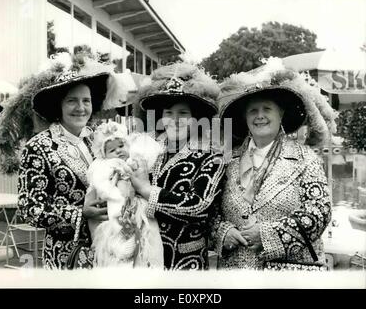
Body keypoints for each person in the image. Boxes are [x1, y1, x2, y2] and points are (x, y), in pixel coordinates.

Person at [214, 57, 336, 270]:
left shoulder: (306, 159)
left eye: (267, 109)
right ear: (244, 118)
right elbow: (210, 211)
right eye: (253, 110)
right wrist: (222, 232)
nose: (259, 116)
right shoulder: (227, 161)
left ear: (281, 114)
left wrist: (268, 235)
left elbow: (319, 211)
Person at [17, 54, 127, 269]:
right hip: (67, 256)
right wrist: (80, 213)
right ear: (58, 106)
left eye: (86, 100)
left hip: (110, 250)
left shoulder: (99, 138)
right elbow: (28, 208)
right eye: (71, 100)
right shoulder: (38, 146)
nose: (81, 107)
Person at [131, 62, 226, 270]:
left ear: (196, 118)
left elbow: (198, 206)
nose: (175, 120)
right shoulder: (146, 149)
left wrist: (146, 190)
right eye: (168, 113)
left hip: (185, 263)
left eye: (183, 113)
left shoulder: (211, 157)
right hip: (144, 258)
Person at [86, 121, 164, 268]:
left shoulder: (133, 160)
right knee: (118, 222)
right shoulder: (106, 165)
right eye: (112, 150)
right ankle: (121, 245)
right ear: (104, 155)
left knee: (146, 231)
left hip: (137, 201)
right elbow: (102, 185)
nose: (118, 152)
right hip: (117, 200)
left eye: (121, 146)